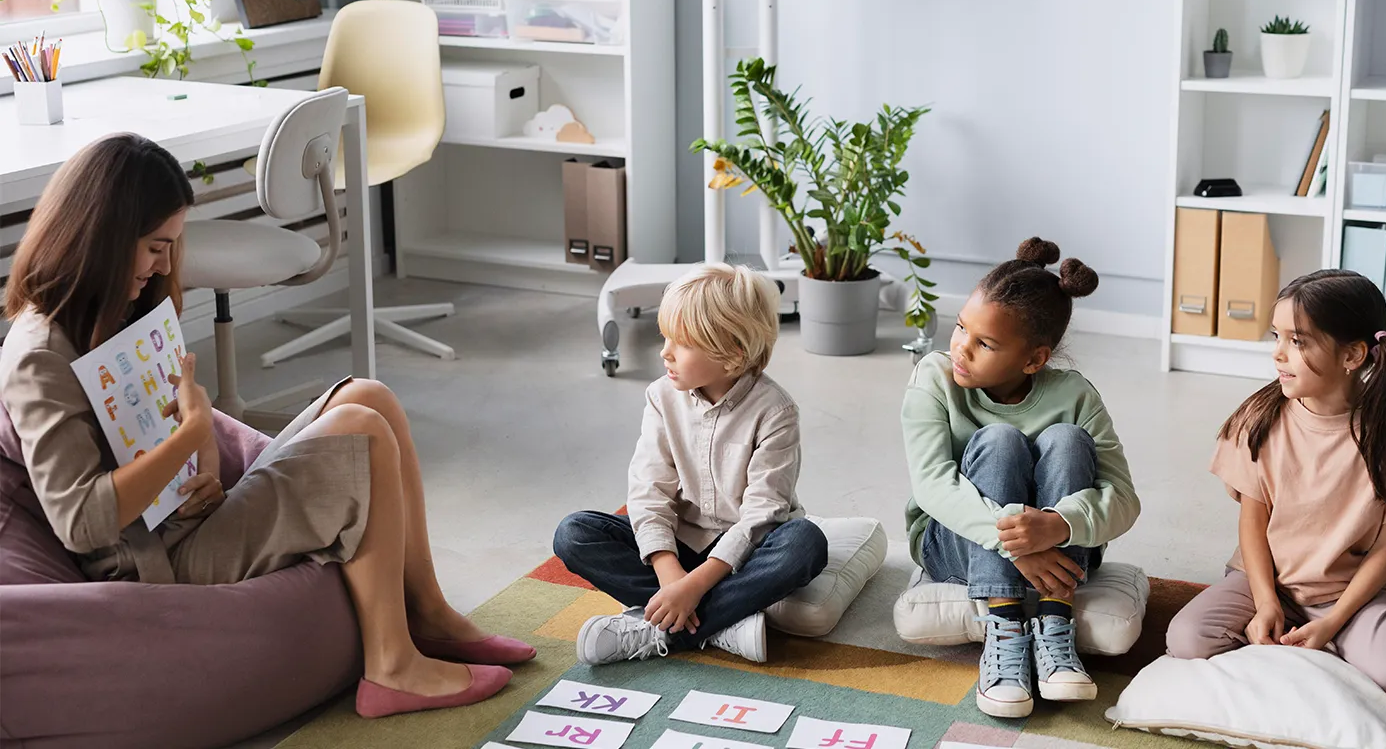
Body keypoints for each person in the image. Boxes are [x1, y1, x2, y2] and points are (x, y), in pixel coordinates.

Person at [0, 133, 534, 719]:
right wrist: (187, 437)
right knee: (359, 426)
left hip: (187, 519)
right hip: (153, 558)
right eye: (156, 247)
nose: (166, 265)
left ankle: (427, 614)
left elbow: (173, 429)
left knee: (368, 395)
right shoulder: (38, 356)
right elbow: (80, 523)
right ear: (101, 238)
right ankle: (391, 667)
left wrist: (199, 456)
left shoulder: (117, 310)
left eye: (173, 246)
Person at [1165, 269, 1386, 708]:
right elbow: (1252, 525)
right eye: (1277, 337)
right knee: (1187, 639)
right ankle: (1319, 636)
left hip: (1352, 592)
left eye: (1298, 342)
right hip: (1266, 580)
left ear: (1353, 354)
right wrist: (1267, 603)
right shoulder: (1260, 419)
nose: (1278, 355)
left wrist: (1336, 620)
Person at [902, 237, 1139, 718]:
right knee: (999, 441)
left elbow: (1124, 499)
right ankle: (1005, 629)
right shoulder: (934, 377)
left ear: (1034, 359)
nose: (961, 348)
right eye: (961, 328)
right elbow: (933, 485)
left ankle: (1055, 622)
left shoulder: (1076, 395)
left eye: (984, 343)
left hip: (1060, 555)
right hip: (955, 545)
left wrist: (1059, 524)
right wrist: (1018, 542)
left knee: (1069, 439)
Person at [554, 263, 828, 666]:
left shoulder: (776, 412)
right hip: (679, 549)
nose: (664, 351)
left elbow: (762, 516)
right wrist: (673, 579)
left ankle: (661, 633)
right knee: (574, 534)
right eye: (665, 336)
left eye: (680, 342)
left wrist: (696, 586)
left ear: (732, 354)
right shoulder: (660, 397)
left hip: (745, 553)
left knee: (805, 543)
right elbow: (649, 492)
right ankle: (723, 624)